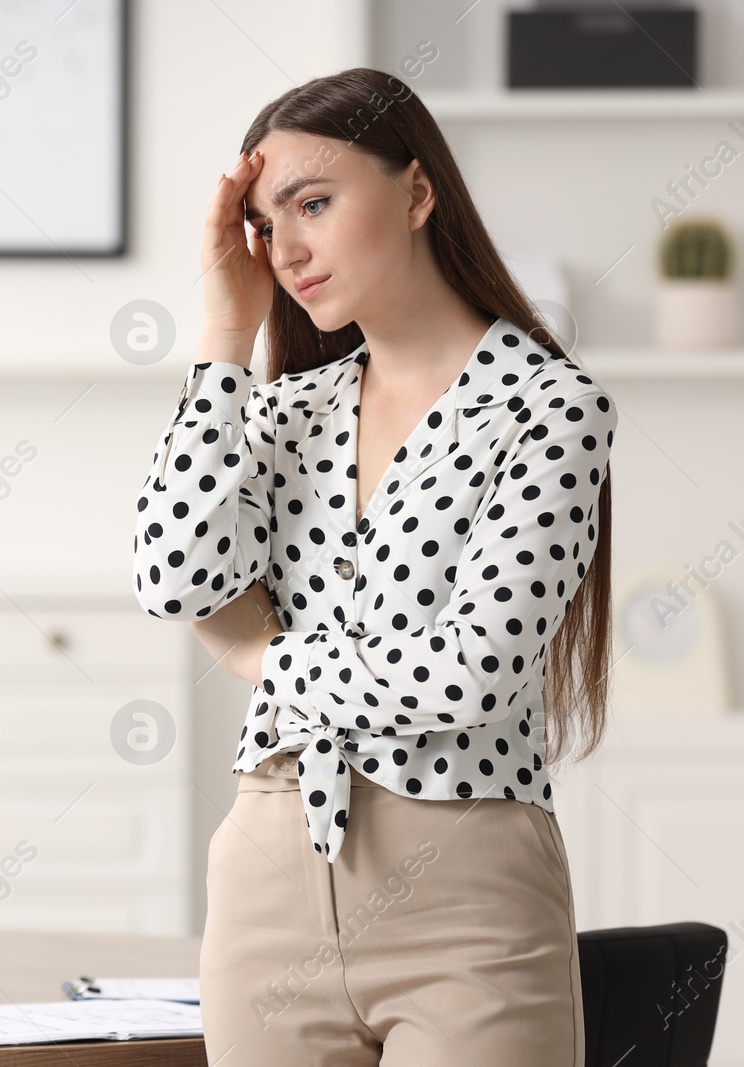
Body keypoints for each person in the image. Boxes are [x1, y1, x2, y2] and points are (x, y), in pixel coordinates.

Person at [132, 67, 617, 1066]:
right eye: (267, 224)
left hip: (466, 886)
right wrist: (226, 330)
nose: (290, 248)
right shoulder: (278, 409)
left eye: (314, 202)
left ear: (416, 190)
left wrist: (261, 658)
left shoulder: (548, 410)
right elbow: (171, 578)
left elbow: (468, 673)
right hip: (267, 877)